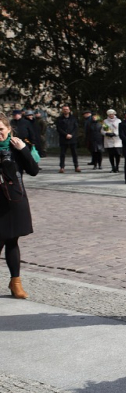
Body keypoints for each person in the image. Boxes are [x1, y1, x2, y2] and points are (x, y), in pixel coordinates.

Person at [0, 113, 40, 299]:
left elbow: (33, 171)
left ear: (9, 129)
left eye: (0, 129)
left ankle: (15, 282)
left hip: (15, 200)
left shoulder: (17, 147)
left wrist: (24, 149)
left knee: (12, 241)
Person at [55, 104, 80, 173]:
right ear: (62, 111)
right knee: (62, 154)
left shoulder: (73, 118)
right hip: (63, 138)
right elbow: (58, 128)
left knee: (74, 153)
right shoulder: (59, 119)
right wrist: (66, 134)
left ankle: (76, 166)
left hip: (72, 138)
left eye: (67, 109)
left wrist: (71, 134)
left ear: (69, 110)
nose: (65, 111)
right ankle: (62, 167)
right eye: (64, 109)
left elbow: (76, 128)